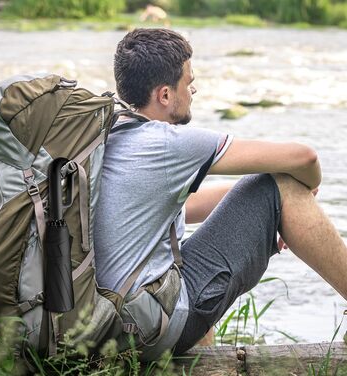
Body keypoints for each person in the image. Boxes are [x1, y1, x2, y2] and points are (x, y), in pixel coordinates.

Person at [93, 28, 347, 360]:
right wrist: (302, 190)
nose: (194, 88)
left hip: (100, 322)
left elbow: (186, 207)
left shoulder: (106, 133)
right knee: (285, 184)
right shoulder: (169, 144)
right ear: (165, 95)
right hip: (146, 330)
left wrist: (273, 211)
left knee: (184, 263)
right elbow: (304, 157)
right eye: (189, 81)